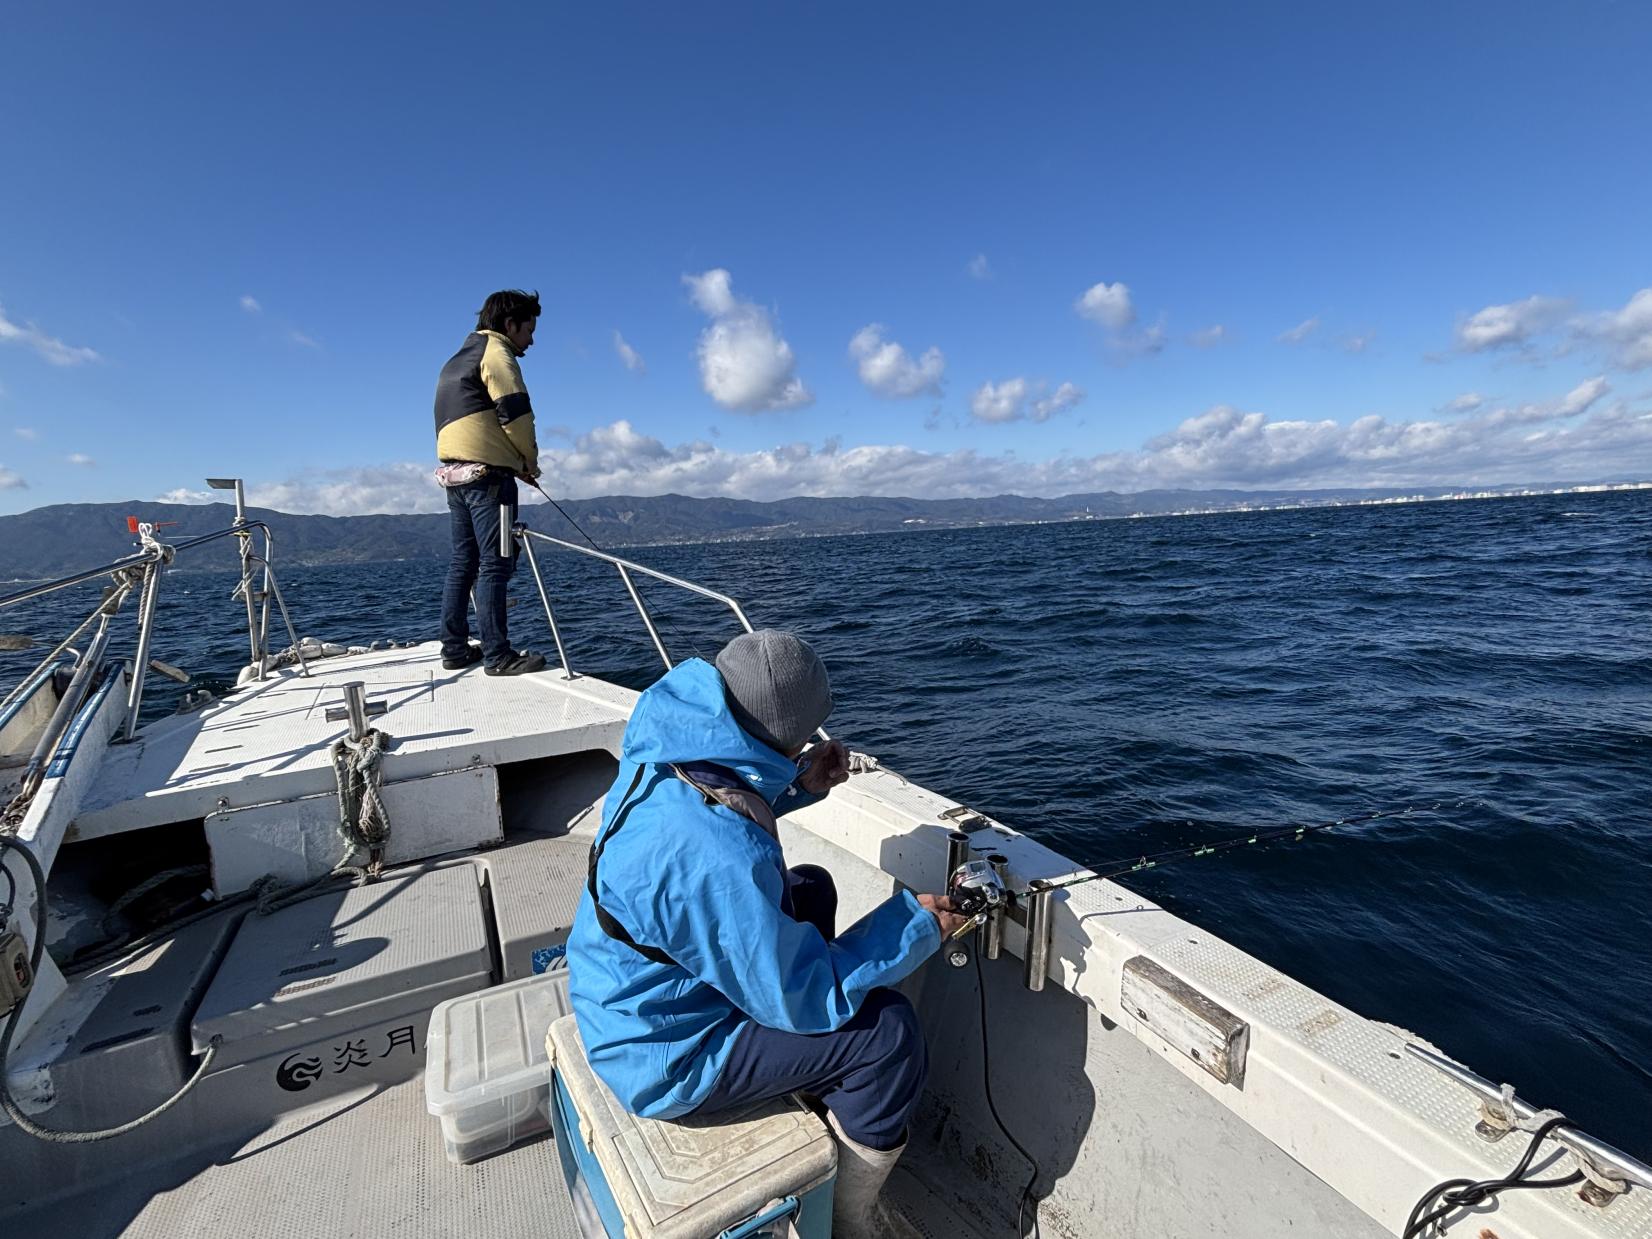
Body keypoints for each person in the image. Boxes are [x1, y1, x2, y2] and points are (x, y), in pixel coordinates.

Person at [568, 630, 968, 1237]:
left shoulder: (664, 742)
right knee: (888, 1033)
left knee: (810, 886)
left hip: (622, 997)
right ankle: (849, 1218)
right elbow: (802, 995)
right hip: (666, 1056)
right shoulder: (713, 857)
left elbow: (717, 806)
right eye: (803, 736)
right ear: (781, 732)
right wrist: (915, 926)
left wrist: (796, 783)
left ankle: (811, 1075)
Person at [433, 288, 546, 676]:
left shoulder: (456, 358)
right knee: (496, 565)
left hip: (456, 476)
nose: (530, 339)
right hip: (489, 480)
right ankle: (499, 656)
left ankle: (454, 650)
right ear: (509, 324)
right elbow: (516, 416)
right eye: (528, 330)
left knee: (463, 562)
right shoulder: (496, 353)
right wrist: (528, 463)